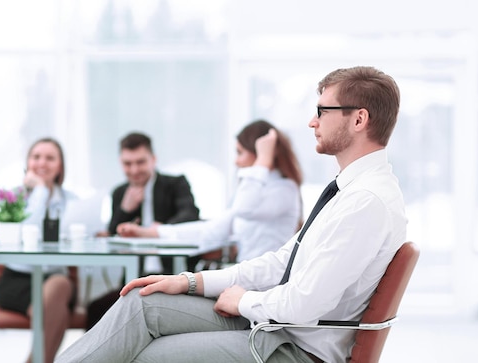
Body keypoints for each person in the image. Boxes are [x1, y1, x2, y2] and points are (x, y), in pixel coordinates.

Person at [55, 66, 407, 363]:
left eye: (323, 111)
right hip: (274, 325)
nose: (312, 121)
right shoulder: (349, 190)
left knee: (145, 354)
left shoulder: (366, 202)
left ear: (359, 118)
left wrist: (244, 301)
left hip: (292, 347)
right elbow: (281, 261)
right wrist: (192, 282)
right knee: (141, 303)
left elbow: (305, 303)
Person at [116, 120, 303, 264]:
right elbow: (211, 231)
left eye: (240, 153)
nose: (236, 161)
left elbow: (244, 208)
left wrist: (263, 160)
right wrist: (149, 233)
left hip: (265, 290)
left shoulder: (284, 189)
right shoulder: (254, 189)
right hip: (247, 282)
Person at [86, 132, 200, 329]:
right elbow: (114, 232)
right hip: (134, 280)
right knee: (96, 310)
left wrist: (158, 230)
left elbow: (190, 215)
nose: (134, 169)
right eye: (127, 164)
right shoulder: (120, 193)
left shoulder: (175, 184)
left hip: (172, 277)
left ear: (153, 160)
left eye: (140, 162)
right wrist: (125, 209)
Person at [0, 137, 81, 363]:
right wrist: (41, 191)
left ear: (60, 166)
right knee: (54, 310)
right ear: (27, 163)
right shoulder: (13, 197)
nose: (42, 163)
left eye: (50, 158)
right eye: (36, 157)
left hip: (56, 279)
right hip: (18, 280)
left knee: (60, 285)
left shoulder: (73, 201)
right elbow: (27, 233)